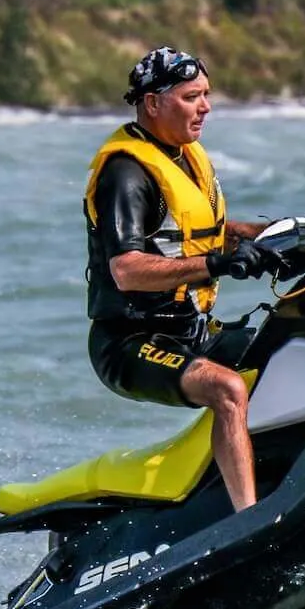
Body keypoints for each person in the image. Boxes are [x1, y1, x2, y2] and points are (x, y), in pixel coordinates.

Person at [84, 46, 280, 512]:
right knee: (227, 388)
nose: (206, 107)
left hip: (192, 331)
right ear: (154, 103)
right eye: (193, 97)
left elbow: (204, 235)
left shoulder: (184, 156)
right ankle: (247, 519)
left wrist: (276, 236)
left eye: (206, 95)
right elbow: (127, 270)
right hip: (131, 342)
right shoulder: (126, 173)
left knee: (288, 345)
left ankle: (284, 472)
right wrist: (216, 264)